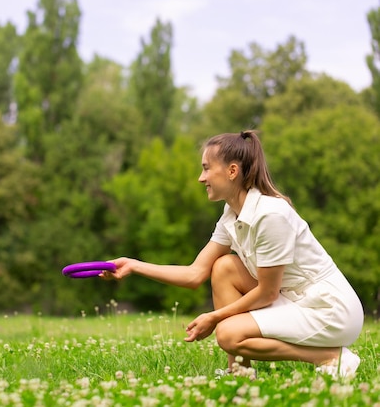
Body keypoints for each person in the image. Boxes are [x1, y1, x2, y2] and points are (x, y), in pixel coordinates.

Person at [102, 130, 364, 378]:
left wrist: (214, 318)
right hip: (294, 299)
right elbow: (195, 274)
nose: (200, 178)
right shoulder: (232, 214)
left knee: (228, 334)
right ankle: (239, 371)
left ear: (232, 171)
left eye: (206, 168)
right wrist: (133, 266)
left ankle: (330, 357)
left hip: (329, 311)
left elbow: (268, 293)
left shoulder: (270, 215)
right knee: (225, 267)